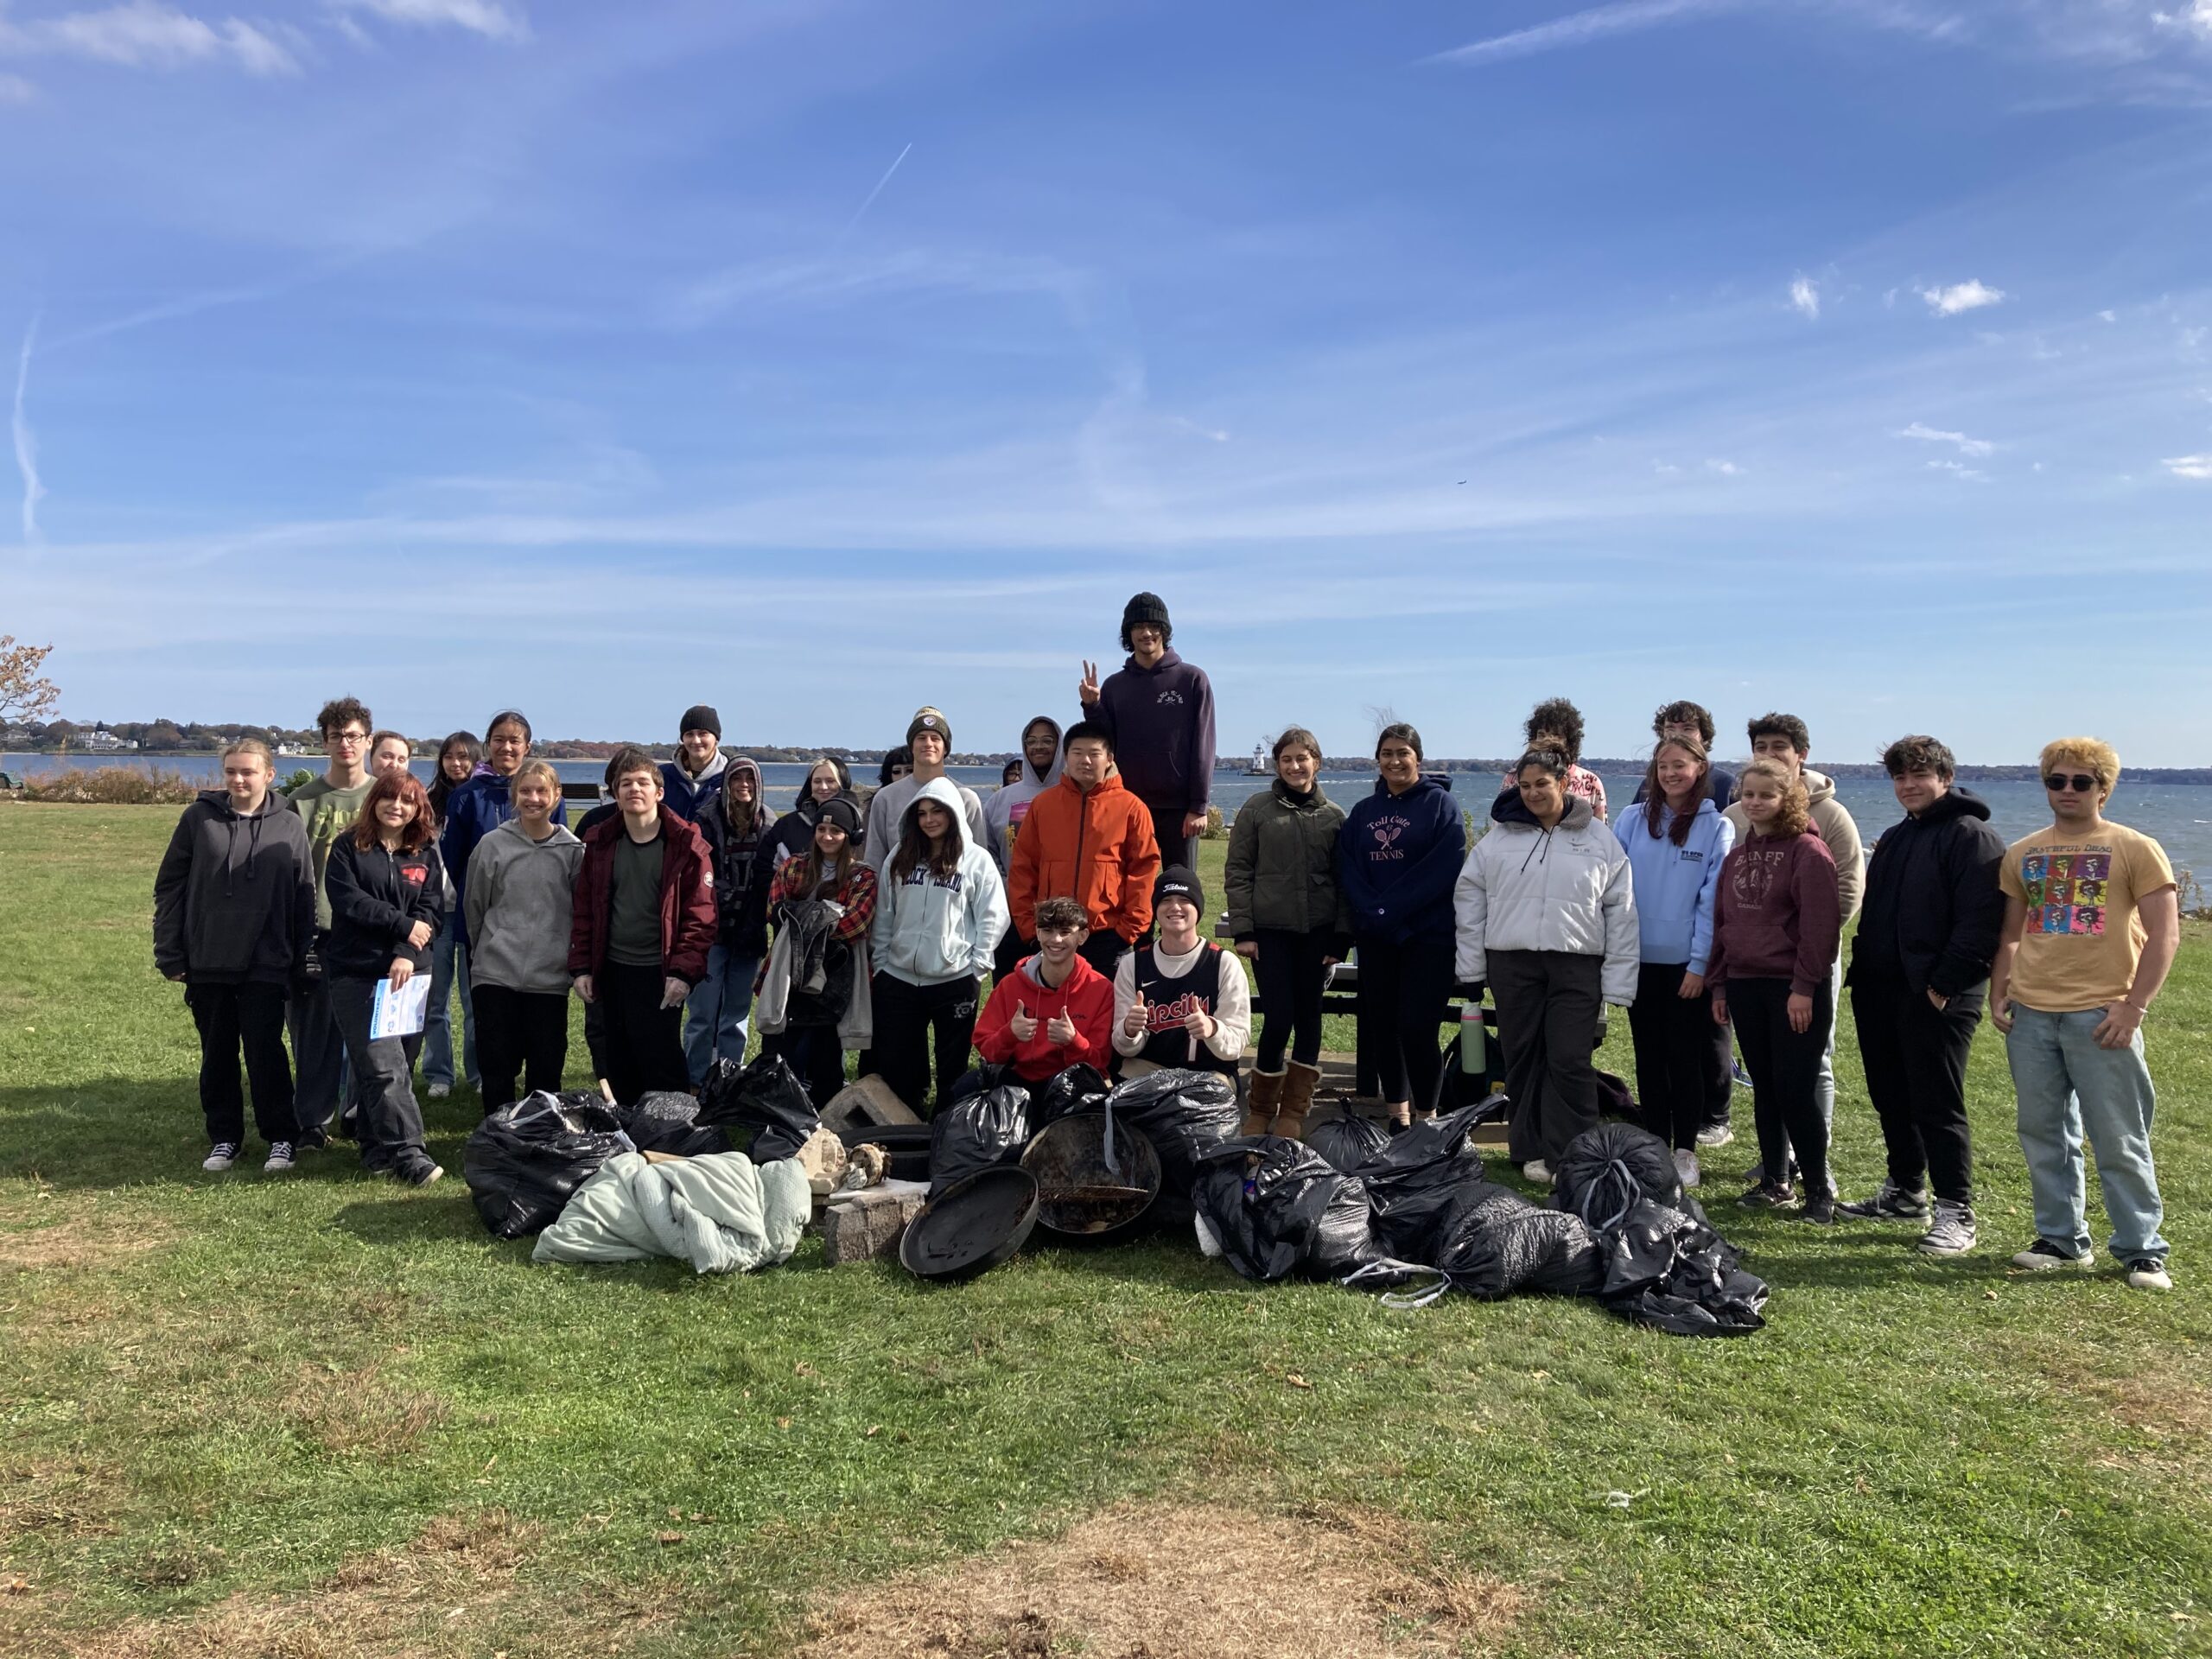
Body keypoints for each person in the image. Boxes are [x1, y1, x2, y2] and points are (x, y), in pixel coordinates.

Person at [1991, 739, 2178, 1291]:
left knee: (2119, 1136)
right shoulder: (2023, 852)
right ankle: (2060, 1239)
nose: (2068, 791)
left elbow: (2166, 935)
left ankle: (2142, 1250)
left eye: (2081, 782)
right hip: (2031, 1014)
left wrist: (2134, 1006)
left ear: (2104, 788)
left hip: (2102, 1014)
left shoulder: (2135, 847)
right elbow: (2011, 932)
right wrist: (2002, 990)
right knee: (2043, 1131)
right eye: (2057, 781)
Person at [1837, 734, 2005, 1256]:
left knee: (1937, 1101)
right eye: (1900, 777)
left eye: (1920, 775)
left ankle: (1956, 1209)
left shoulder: (1971, 836)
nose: (1909, 785)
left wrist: (1942, 986)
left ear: (1945, 779)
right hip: (1880, 989)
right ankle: (1906, 1190)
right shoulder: (1896, 836)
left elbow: (1981, 924)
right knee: (1891, 1094)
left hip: (1937, 995)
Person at [1454, 747, 1637, 1181]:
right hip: (1511, 963)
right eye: (1526, 784)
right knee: (1522, 1057)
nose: (1534, 792)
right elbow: (1469, 899)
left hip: (1577, 966)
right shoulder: (1500, 837)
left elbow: (1622, 910)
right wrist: (1471, 966)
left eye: (1543, 783)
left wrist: (1619, 981)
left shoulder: (1597, 838)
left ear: (1562, 784)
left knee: (1570, 1060)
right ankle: (1528, 1148)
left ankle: (1571, 1157)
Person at [154, 739, 315, 1173]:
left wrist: (303, 956)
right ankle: (224, 1138)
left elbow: (304, 896)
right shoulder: (198, 819)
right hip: (208, 957)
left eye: (248, 771)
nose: (239, 780)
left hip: (267, 958)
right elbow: (170, 886)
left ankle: (281, 1137)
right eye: (231, 772)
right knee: (218, 1052)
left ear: (269, 774)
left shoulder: (288, 824)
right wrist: (169, 951)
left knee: (265, 1051)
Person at [1719, 712, 1865, 1163]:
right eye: (1760, 747)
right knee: (1767, 1073)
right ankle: (1775, 1163)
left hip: (1806, 961)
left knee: (1811, 1064)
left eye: (1779, 746)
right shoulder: (1735, 816)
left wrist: (1803, 945)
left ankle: (1812, 1163)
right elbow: (1725, 897)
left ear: (1801, 755)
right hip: (1749, 967)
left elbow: (1845, 889)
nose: (1769, 754)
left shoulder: (1830, 818)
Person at [1708, 759, 1842, 1218]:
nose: (1755, 802)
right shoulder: (1738, 855)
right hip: (1745, 983)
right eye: (1748, 794)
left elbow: (1821, 928)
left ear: (1789, 799)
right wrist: (1720, 984)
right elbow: (1722, 924)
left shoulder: (1808, 851)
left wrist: (1804, 986)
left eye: (1766, 795)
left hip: (1793, 988)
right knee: (1765, 1087)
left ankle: (1819, 1189)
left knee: (1795, 1089)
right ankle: (1775, 1178)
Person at [567, 747, 717, 1105]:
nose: (634, 789)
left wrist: (683, 973)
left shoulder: (686, 845)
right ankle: (628, 1139)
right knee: (618, 1061)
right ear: (615, 794)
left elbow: (701, 917)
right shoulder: (601, 843)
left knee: (661, 1061)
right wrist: (582, 968)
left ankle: (672, 1136)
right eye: (625, 784)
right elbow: (585, 910)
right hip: (613, 969)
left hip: (661, 972)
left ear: (659, 792)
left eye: (642, 782)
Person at [322, 770, 448, 1185]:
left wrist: (406, 953)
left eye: (408, 801)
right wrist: (401, 926)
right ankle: (411, 1155)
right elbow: (349, 902)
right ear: (374, 800)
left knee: (398, 1067)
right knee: (382, 1067)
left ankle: (375, 1146)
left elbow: (431, 911)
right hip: (356, 973)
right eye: (389, 798)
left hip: (410, 975)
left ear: (418, 808)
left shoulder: (425, 849)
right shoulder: (348, 847)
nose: (397, 807)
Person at [1620, 733, 1734, 1188]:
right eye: (1664, 765)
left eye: (1681, 765)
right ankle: (1654, 1145)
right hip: (1636, 961)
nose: (1672, 773)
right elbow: (1614, 889)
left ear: (1700, 770)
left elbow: (1711, 902)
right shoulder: (1630, 819)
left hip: (1687, 967)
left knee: (1684, 1057)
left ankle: (1685, 1149)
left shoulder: (1716, 826)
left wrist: (1698, 964)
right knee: (1648, 1057)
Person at [1342, 724, 1467, 1134]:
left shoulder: (1440, 806)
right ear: (1377, 760)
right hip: (1377, 940)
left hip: (1427, 937)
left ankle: (1428, 1118)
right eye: (1387, 753)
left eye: (1403, 753)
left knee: (1417, 1027)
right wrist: (1375, 913)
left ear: (1419, 758)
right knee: (1384, 1026)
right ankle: (1398, 1115)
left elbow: (1444, 866)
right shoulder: (1364, 812)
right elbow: (1348, 866)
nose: (1395, 761)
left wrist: (1389, 909)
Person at [1224, 727, 1349, 1138]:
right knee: (1278, 1018)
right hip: (1270, 932)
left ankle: (1294, 1111)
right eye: (1286, 760)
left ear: (1317, 761)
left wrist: (1339, 938)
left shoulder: (1333, 817)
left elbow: (1345, 882)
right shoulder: (1257, 810)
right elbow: (1239, 870)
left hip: (1317, 933)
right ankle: (1261, 1108)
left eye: (1302, 758)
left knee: (1309, 1016)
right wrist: (1243, 929)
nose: (1295, 766)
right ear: (1277, 764)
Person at [869, 778, 1007, 1114]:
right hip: (899, 977)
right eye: (922, 813)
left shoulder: (976, 860)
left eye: (937, 812)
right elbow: (885, 911)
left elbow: (994, 915)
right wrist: (882, 961)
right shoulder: (900, 856)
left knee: (952, 1064)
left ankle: (948, 1125)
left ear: (954, 814)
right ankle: (906, 1122)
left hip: (954, 978)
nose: (929, 820)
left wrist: (978, 966)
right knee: (902, 1061)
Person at [437, 709, 550, 1099]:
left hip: (537, 925)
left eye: (514, 740)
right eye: (499, 739)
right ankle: (490, 1082)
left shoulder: (541, 792)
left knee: (535, 1021)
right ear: (488, 745)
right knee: (487, 1013)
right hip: (485, 924)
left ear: (527, 747)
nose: (506, 746)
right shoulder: (469, 795)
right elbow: (453, 857)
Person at [464, 759, 583, 1109]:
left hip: (548, 979)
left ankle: (539, 1135)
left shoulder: (573, 851)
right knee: (497, 1065)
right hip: (496, 973)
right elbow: (475, 907)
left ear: (557, 796)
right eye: (525, 791)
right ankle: (497, 1134)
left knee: (546, 1068)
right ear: (514, 795)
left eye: (542, 791)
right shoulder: (492, 845)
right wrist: (487, 949)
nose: (534, 798)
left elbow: (579, 911)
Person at [286, 696, 378, 1145]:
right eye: (337, 736)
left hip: (369, 933)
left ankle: (362, 1116)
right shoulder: (301, 802)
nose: (346, 743)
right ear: (325, 742)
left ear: (368, 740)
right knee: (314, 1036)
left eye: (354, 735)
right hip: (317, 932)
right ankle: (312, 1122)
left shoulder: (385, 798)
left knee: (370, 1036)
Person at [1007, 721, 1160, 978]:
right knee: (1052, 1013)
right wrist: (1028, 927)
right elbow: (1023, 868)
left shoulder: (1132, 808)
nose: (1085, 761)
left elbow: (1143, 872)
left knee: (1105, 1014)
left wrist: (1127, 932)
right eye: (1077, 753)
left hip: (1107, 935)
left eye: (1094, 754)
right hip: (1053, 934)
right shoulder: (1043, 805)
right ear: (1066, 756)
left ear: (1109, 758)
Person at [1077, 592, 1216, 869]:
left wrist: (1198, 806)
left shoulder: (1191, 679)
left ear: (1164, 631)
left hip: (1179, 810)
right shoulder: (1115, 686)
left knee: (1179, 891)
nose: (1146, 633)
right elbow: (1105, 744)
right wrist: (1092, 706)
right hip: (1128, 803)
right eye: (1138, 627)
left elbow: (1204, 745)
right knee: (1130, 891)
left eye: (1153, 626)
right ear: (1129, 634)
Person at [760, 795, 877, 1106]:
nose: (827, 837)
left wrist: (803, 916)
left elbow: (856, 924)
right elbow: (775, 911)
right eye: (821, 829)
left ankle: (822, 1114)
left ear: (850, 836)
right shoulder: (792, 866)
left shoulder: (862, 876)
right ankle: (774, 1108)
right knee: (779, 1049)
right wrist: (827, 913)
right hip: (790, 972)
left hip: (834, 980)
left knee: (826, 1054)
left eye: (836, 831)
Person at [1113, 866, 1252, 1090]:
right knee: (1123, 1106)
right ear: (1156, 909)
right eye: (1166, 900)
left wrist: (1212, 1029)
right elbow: (1123, 1048)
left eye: (1184, 899)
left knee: (1204, 1108)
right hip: (1149, 1069)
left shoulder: (1223, 963)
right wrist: (1129, 1030)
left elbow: (1236, 1043)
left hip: (1209, 1074)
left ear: (1198, 909)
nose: (1175, 907)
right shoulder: (1133, 964)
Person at [688, 755, 776, 1083]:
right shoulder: (707, 820)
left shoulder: (768, 823)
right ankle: (696, 1080)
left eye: (750, 780)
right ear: (726, 784)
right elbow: (700, 876)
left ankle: (728, 1078)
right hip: (712, 932)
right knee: (702, 1014)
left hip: (750, 931)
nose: (744, 786)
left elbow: (769, 879)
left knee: (736, 1015)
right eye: (737, 779)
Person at [973, 896, 1116, 1085]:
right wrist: (1009, 1034)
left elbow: (1101, 1063)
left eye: (1065, 932)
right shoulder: (1010, 985)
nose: (1056, 939)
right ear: (1038, 933)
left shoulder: (1101, 988)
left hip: (1074, 1083)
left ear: (1082, 936)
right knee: (962, 1093)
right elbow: (987, 1051)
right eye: (1047, 931)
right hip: (1018, 1081)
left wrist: (1073, 1041)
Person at [863, 707, 988, 880]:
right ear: (912, 747)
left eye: (935, 738)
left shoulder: (967, 798)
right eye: (921, 738)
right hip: (900, 902)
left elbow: (980, 864)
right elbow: (874, 862)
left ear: (945, 748)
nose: (928, 743)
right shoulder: (885, 798)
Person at [982, 715, 1063, 974]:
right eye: (1032, 741)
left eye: (1047, 740)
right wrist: (1007, 888)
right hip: (1011, 912)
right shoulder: (1000, 800)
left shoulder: (1072, 793)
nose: (1039, 746)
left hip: (1062, 913)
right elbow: (988, 852)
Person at [1502, 698, 1608, 820]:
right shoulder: (1513, 779)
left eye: (1557, 735)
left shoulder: (1591, 782)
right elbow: (1501, 826)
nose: (1548, 740)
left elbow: (1600, 829)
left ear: (1570, 741)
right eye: (1541, 735)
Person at [1630, 702, 1737, 810]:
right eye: (1670, 729)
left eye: (1687, 729)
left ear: (1703, 736)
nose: (1677, 735)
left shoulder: (1726, 784)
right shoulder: (1651, 784)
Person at [770, 757, 858, 870]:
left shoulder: (858, 826)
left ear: (843, 784)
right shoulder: (786, 825)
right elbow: (764, 868)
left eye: (830, 781)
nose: (823, 787)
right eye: (817, 781)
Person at [660, 704, 729, 823]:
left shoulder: (730, 779)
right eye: (689, 734)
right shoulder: (662, 776)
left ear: (717, 739)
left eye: (703, 733)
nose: (696, 741)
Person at [427, 731, 482, 828]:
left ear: (475, 759)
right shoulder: (431, 799)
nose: (455, 763)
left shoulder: (484, 797)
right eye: (448, 757)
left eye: (463, 757)